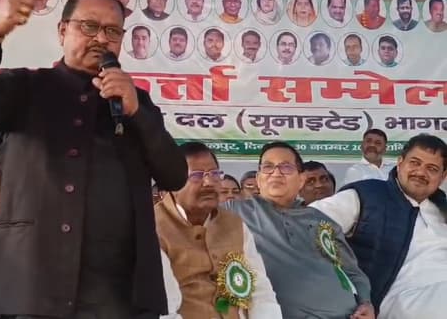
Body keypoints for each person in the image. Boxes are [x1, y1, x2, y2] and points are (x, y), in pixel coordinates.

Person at [0, 0, 187, 318]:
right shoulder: (26, 88)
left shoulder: (136, 102)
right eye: (89, 26)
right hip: (32, 283)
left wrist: (137, 115)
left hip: (116, 293)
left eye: (112, 31)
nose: (100, 38)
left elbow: (174, 175)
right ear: (62, 31)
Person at [225, 142, 374, 319]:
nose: (276, 173)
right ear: (258, 178)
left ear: (301, 179)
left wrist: (366, 302)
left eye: (286, 167)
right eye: (268, 167)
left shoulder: (321, 220)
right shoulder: (233, 212)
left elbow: (351, 271)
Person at [311, 134, 447, 317]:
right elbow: (306, 226)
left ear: (443, 176)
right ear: (400, 163)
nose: (421, 172)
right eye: (415, 163)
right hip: (396, 302)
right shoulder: (368, 195)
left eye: (432, 168)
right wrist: (353, 294)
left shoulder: (442, 209)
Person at [155, 142, 282, 318]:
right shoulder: (153, 228)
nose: (209, 182)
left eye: (215, 174)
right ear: (173, 182)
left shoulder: (235, 224)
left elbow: (260, 292)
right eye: (196, 175)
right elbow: (162, 309)